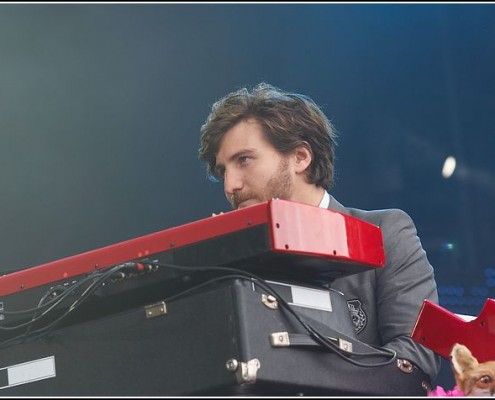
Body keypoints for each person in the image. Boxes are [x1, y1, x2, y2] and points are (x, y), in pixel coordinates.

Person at [198, 82, 441, 389]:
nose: (230, 185)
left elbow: (416, 360)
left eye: (244, 160)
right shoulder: (232, 259)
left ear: (300, 157)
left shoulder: (386, 232)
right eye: (223, 171)